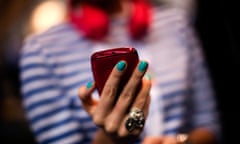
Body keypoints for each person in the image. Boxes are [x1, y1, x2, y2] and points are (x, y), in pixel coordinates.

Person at [19, 0, 221, 143]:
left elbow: (209, 127)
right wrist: (110, 138)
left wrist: (182, 141)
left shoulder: (176, 25)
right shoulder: (40, 51)